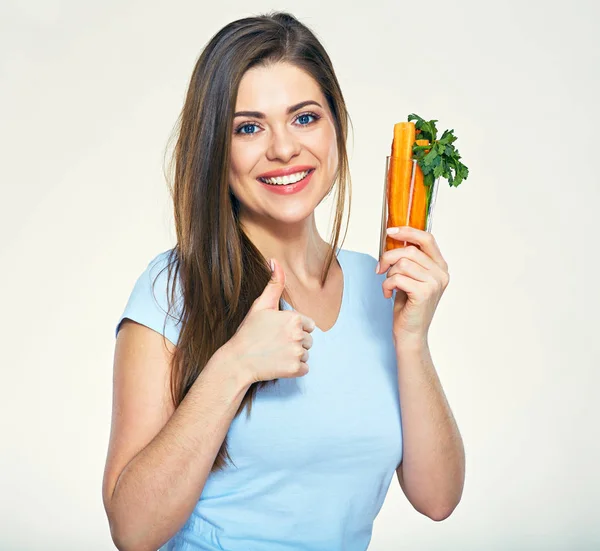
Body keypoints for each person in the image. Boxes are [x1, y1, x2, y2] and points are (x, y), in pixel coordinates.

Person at [102, 11, 465, 551]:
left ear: (336, 126)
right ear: (214, 151)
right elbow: (132, 531)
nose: (283, 149)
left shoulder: (379, 283)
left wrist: (412, 339)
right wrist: (233, 367)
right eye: (248, 127)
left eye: (304, 118)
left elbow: (438, 499)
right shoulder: (172, 289)